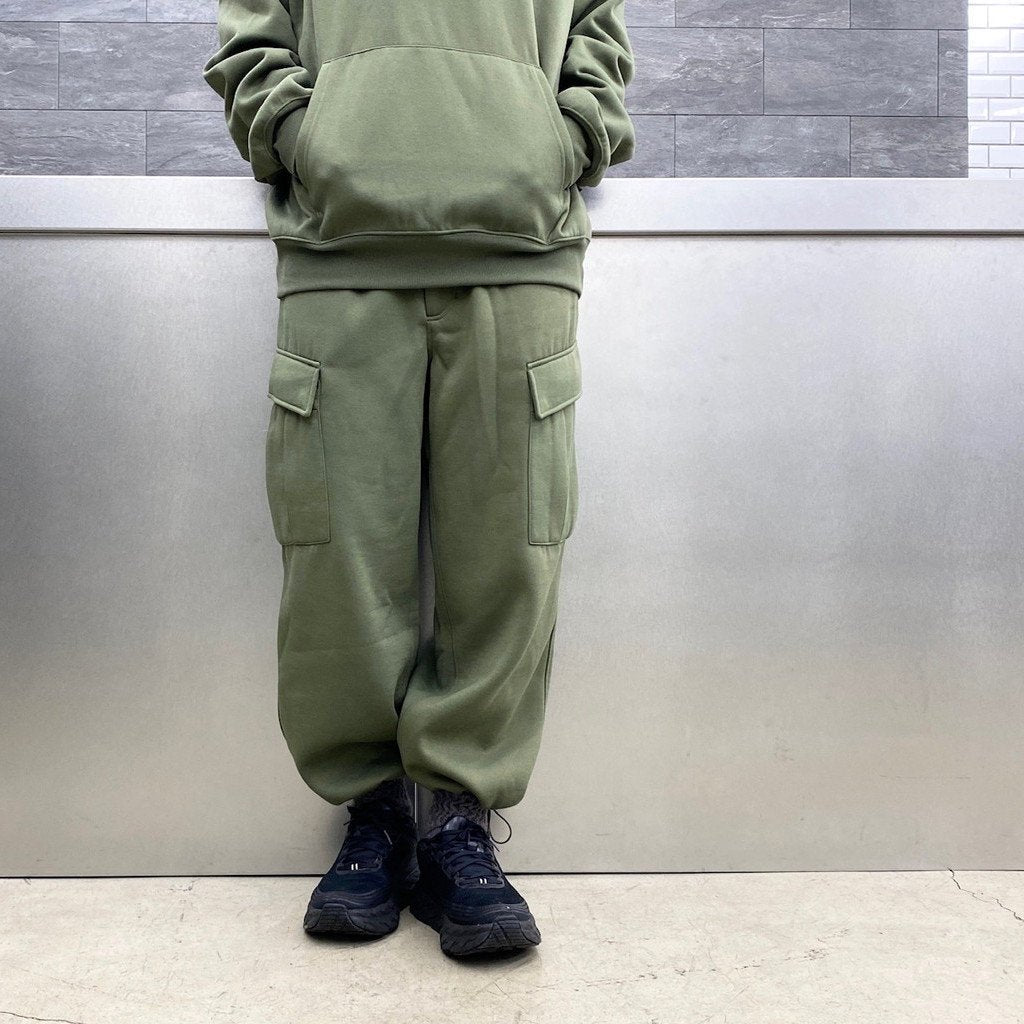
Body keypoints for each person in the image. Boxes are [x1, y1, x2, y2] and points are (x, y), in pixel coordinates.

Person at [202, 0, 634, 959]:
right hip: (339, 258)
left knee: (512, 550)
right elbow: (251, 32)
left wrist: (565, 140)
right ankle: (376, 814)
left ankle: (459, 825)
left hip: (521, 256)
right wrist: (307, 140)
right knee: (337, 553)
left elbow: (598, 27)